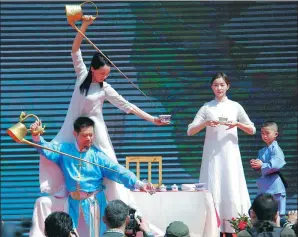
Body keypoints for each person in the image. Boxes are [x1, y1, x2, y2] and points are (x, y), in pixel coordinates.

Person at [32, 15, 167, 237]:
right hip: (74, 127)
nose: (105, 76)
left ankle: (122, 205)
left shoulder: (105, 89)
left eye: (107, 73)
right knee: (55, 152)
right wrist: (84, 25)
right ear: (93, 69)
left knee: (108, 165)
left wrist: (152, 119)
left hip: (94, 129)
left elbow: (128, 105)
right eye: (102, 72)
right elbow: (75, 49)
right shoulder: (81, 75)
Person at [30, 117, 155, 237]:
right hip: (73, 202)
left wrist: (139, 183)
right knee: (68, 231)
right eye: (85, 135)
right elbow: (47, 149)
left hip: (94, 203)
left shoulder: (97, 157)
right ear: (75, 134)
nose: (89, 138)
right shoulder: (64, 150)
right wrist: (36, 136)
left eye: (91, 134)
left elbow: (118, 171)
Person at [187, 72, 256, 236]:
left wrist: (237, 124)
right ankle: (213, 227)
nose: (219, 88)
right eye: (216, 85)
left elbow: (252, 129)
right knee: (214, 186)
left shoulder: (235, 106)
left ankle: (236, 227)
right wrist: (205, 123)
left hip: (230, 156)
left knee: (231, 187)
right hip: (213, 156)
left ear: (228, 86)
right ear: (211, 87)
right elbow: (190, 130)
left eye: (222, 85)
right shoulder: (207, 107)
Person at [250, 121, 287, 217]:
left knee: (277, 214)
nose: (264, 136)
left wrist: (262, 165)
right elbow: (259, 166)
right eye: (262, 133)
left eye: (267, 133)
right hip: (265, 184)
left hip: (275, 185)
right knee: (262, 212)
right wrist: (255, 164)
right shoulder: (262, 151)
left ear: (275, 134)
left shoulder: (276, 149)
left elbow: (277, 163)